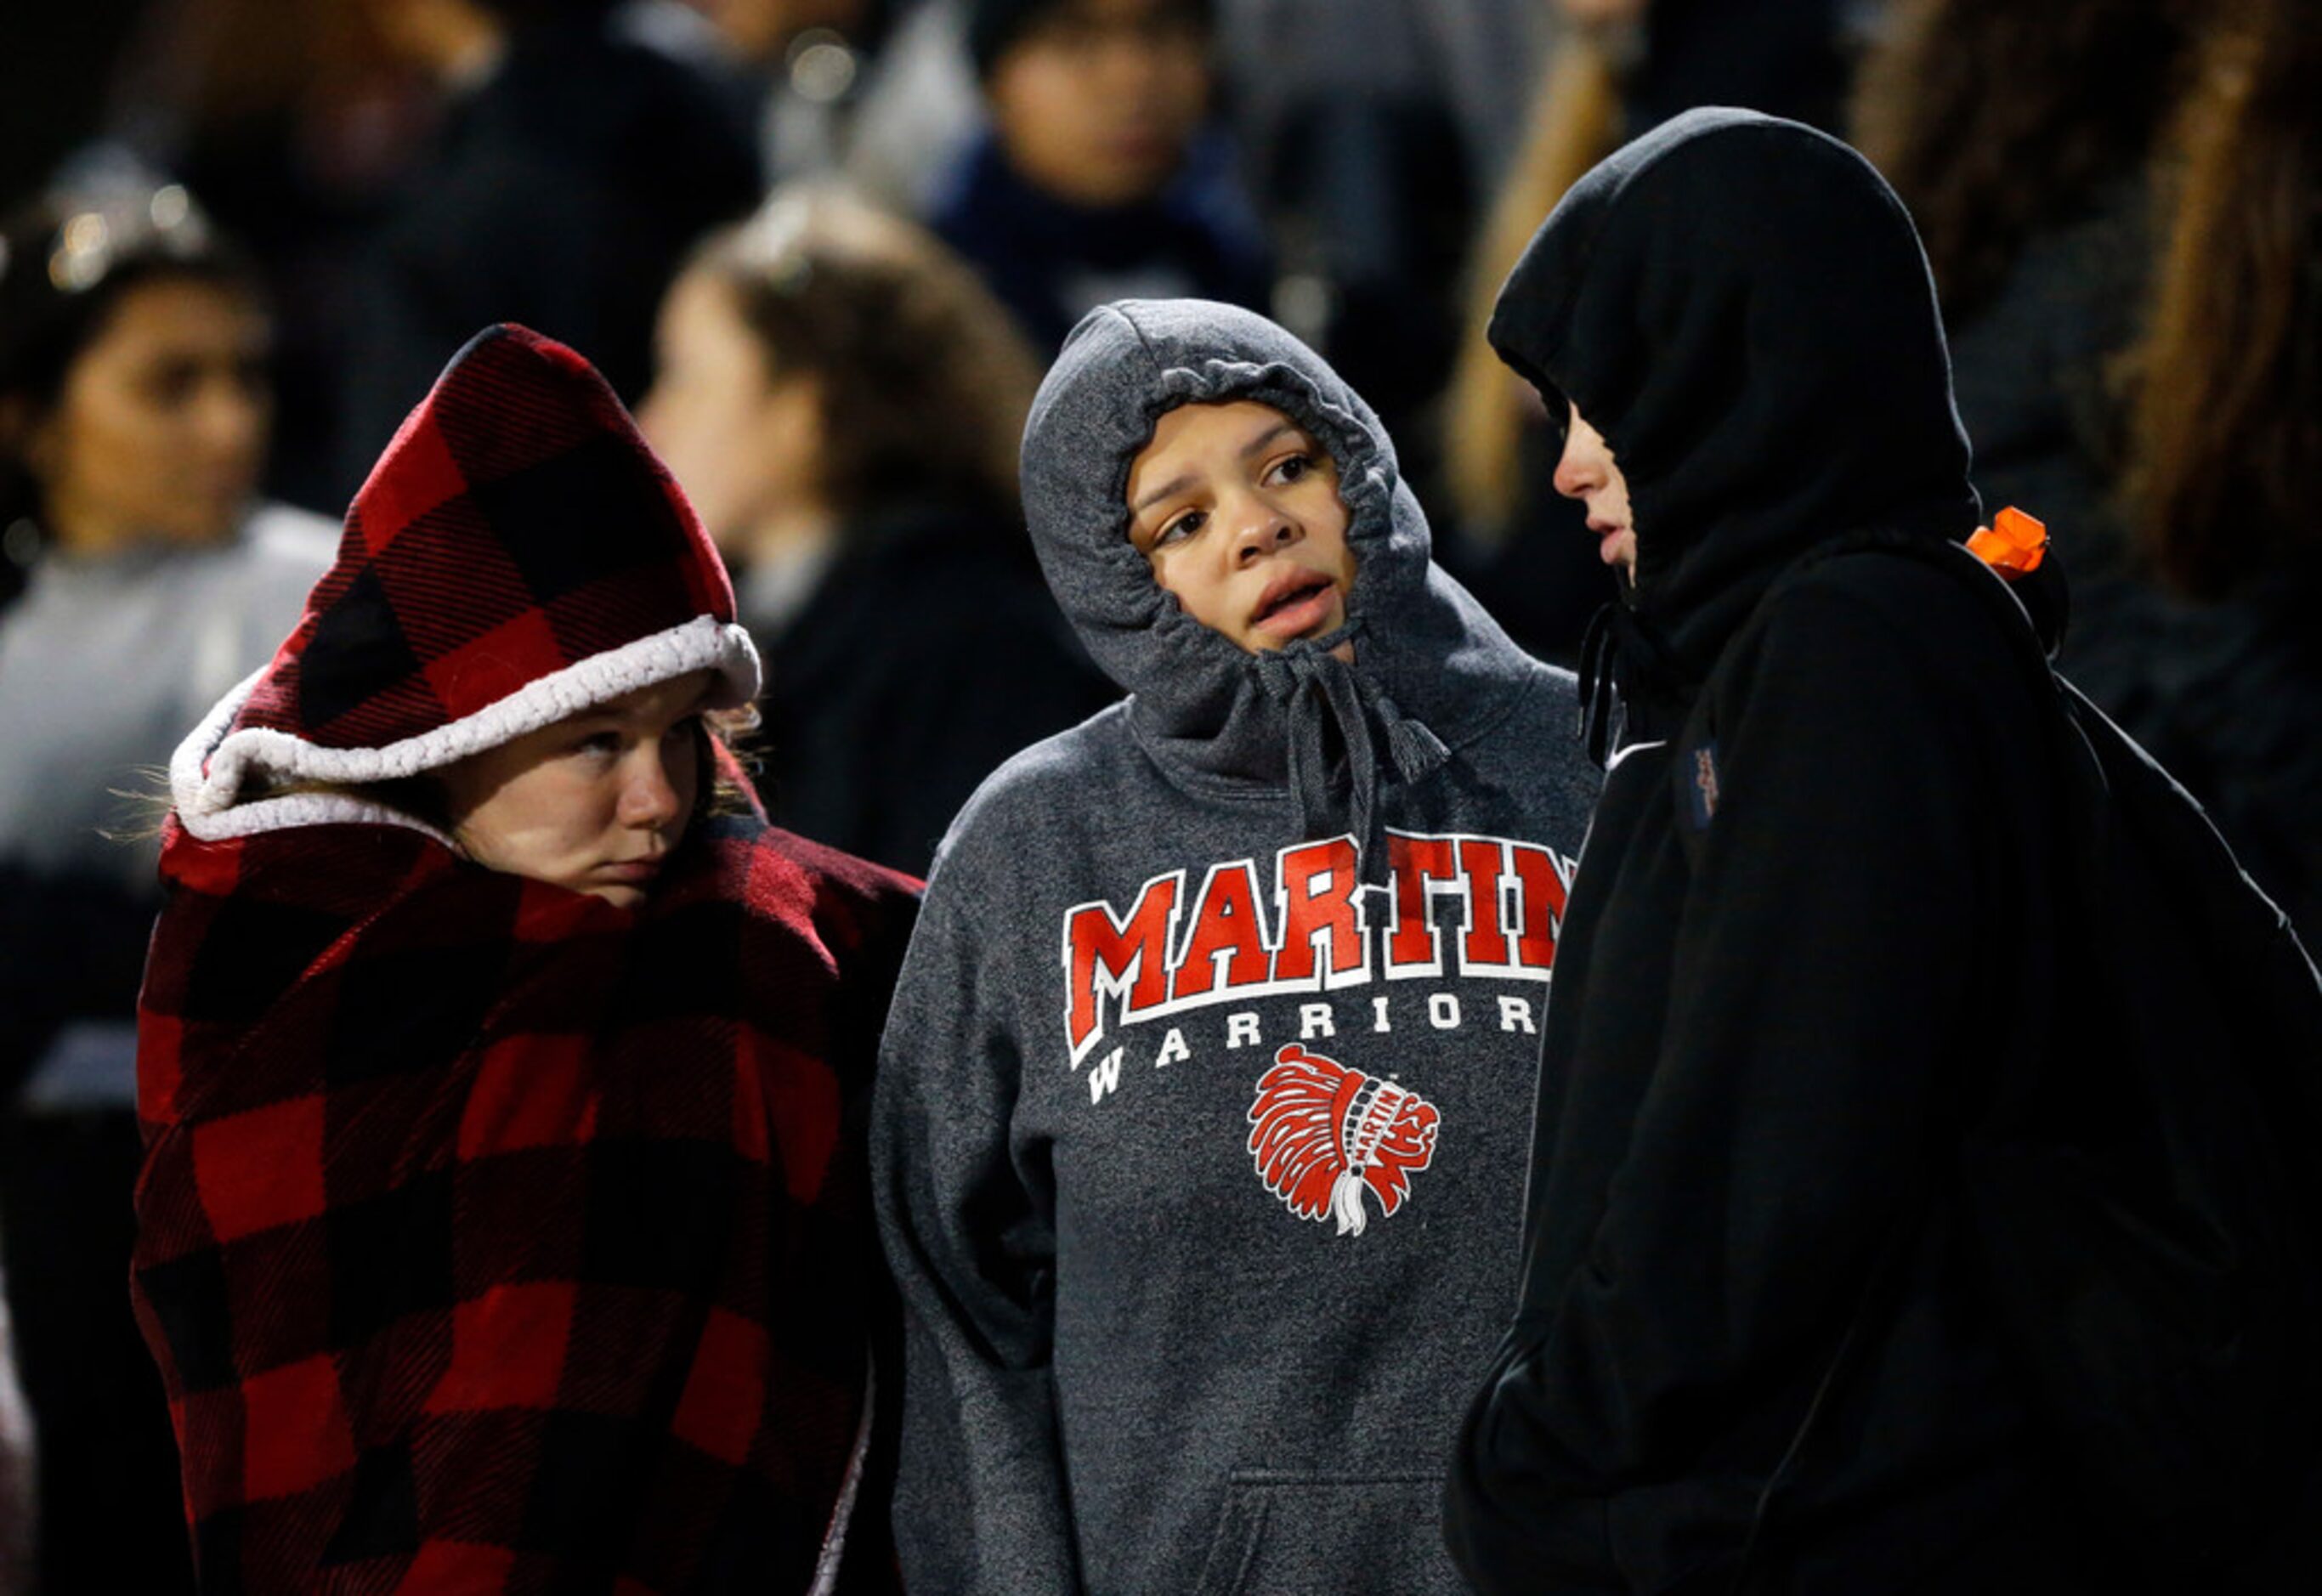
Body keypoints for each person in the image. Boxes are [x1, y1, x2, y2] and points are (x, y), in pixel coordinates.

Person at [130, 323, 919, 1589]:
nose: (661, 798)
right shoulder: (267, 984)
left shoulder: (746, 960)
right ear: (438, 738)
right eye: (596, 741)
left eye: (680, 733)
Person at [1444, 108, 2112, 1591]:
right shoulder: (1795, 650)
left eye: (1602, 401)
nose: (1566, 470)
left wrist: (1537, 1457)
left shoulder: (1848, 653)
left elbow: (1773, 1157)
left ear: (1732, 366)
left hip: (1851, 1525)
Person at [872, 298, 1600, 1592]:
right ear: (1113, 570)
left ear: (1358, 465)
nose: (1258, 526)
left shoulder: (1592, 762)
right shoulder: (1031, 848)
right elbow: (954, 1292)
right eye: (1181, 521)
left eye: (1285, 466)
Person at [0, 176, 333, 1593]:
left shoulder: (330, 592)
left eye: (245, 376)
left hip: (265, 1199)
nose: (229, 422)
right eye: (169, 384)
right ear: (26, 416)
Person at [637, 189, 1113, 876]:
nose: (651, 422)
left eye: (685, 379)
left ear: (806, 408)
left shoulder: (973, 644)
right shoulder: (780, 627)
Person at [930, 0, 1271, 354]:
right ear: (993, 78)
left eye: (1162, 31)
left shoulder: (1253, 263)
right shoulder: (931, 306)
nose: (1133, 78)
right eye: (1072, 39)